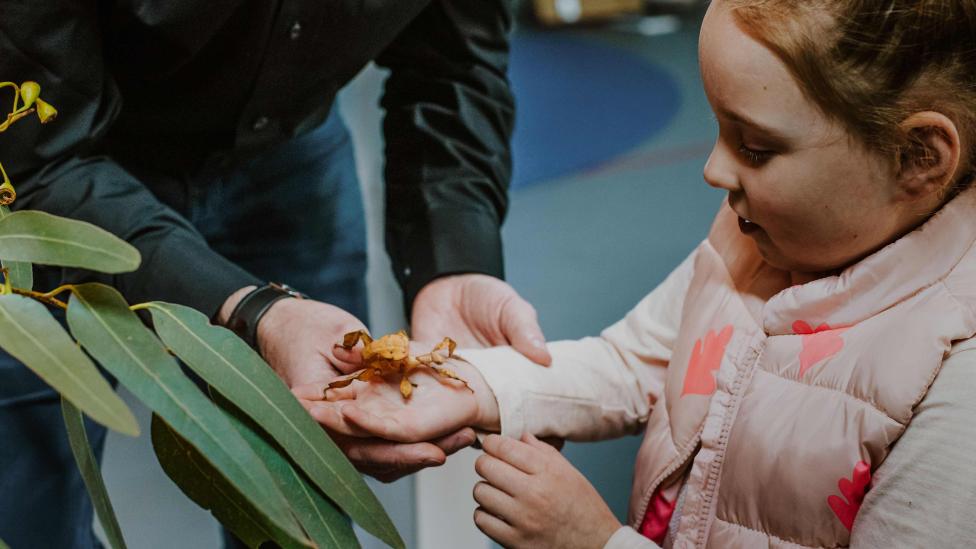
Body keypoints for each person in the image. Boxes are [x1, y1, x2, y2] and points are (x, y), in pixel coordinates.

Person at [302, 0, 976, 547]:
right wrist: (475, 386)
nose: (713, 171)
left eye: (756, 147)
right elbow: (633, 362)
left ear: (918, 157)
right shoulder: (755, 238)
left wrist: (593, 542)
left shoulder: (956, 389)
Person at [0, 1, 554, 547]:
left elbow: (453, 64)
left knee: (301, 506)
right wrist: (252, 311)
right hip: (61, 167)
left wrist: (453, 261)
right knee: (25, 511)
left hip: (288, 152)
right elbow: (36, 155)